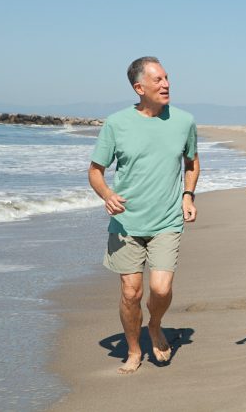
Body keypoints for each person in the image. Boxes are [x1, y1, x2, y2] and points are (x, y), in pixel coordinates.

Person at [88, 56, 199, 374]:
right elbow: (96, 171)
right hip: (126, 222)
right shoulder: (116, 123)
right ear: (139, 88)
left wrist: (188, 195)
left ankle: (155, 325)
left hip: (167, 219)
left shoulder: (184, 121)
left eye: (167, 78)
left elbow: (191, 162)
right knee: (131, 292)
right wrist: (107, 194)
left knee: (161, 289)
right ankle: (134, 350)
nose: (166, 85)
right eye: (158, 80)